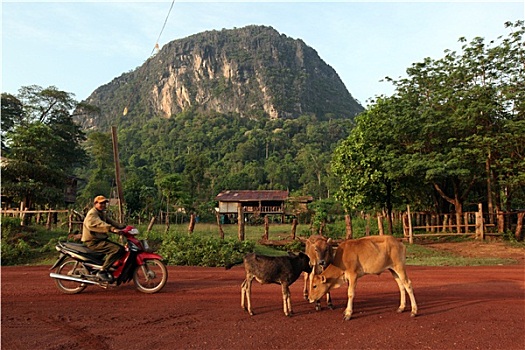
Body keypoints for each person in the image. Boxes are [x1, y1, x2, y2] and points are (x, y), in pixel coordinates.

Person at [82, 195, 125, 282]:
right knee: (116, 250)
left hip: (99, 240)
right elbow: (100, 224)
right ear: (95, 204)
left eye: (104, 203)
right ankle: (103, 271)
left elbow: (111, 222)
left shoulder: (101, 213)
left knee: (122, 249)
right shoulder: (92, 214)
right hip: (93, 242)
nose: (103, 205)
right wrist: (112, 229)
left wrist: (123, 227)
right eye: (101, 203)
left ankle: (110, 267)